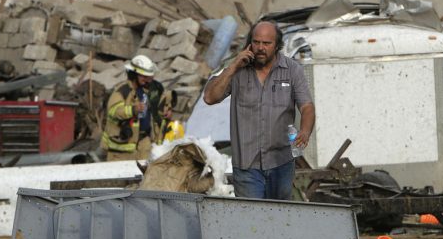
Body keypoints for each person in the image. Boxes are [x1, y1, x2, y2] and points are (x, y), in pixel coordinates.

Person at [203, 20, 315, 200]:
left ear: (277, 45)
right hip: (247, 166)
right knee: (253, 221)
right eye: (256, 42)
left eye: (267, 43)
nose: (260, 48)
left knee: (281, 218)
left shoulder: (292, 70)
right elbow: (210, 97)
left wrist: (306, 130)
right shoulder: (237, 70)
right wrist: (233, 66)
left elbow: (307, 106)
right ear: (250, 43)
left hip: (281, 163)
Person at [101, 54, 176, 161]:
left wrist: (166, 112)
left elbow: (156, 110)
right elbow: (113, 111)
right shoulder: (123, 91)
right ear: (133, 75)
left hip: (144, 146)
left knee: (142, 176)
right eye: (143, 76)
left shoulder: (149, 91)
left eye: (148, 76)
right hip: (122, 149)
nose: (147, 79)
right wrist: (133, 110)